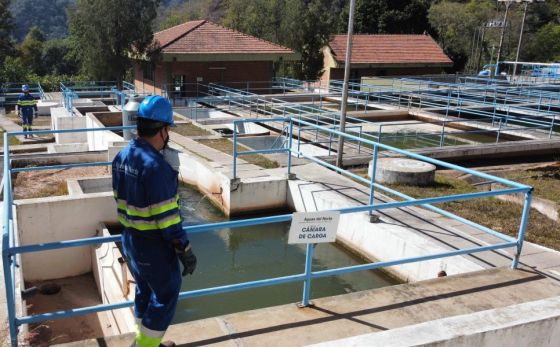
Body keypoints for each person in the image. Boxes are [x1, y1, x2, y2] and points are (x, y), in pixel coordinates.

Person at [112, 95, 197, 347]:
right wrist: (185, 249)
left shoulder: (122, 157)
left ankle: (145, 340)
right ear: (162, 130)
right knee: (166, 294)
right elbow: (168, 218)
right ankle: (144, 345)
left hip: (129, 239)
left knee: (144, 290)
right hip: (153, 245)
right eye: (168, 129)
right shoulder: (156, 168)